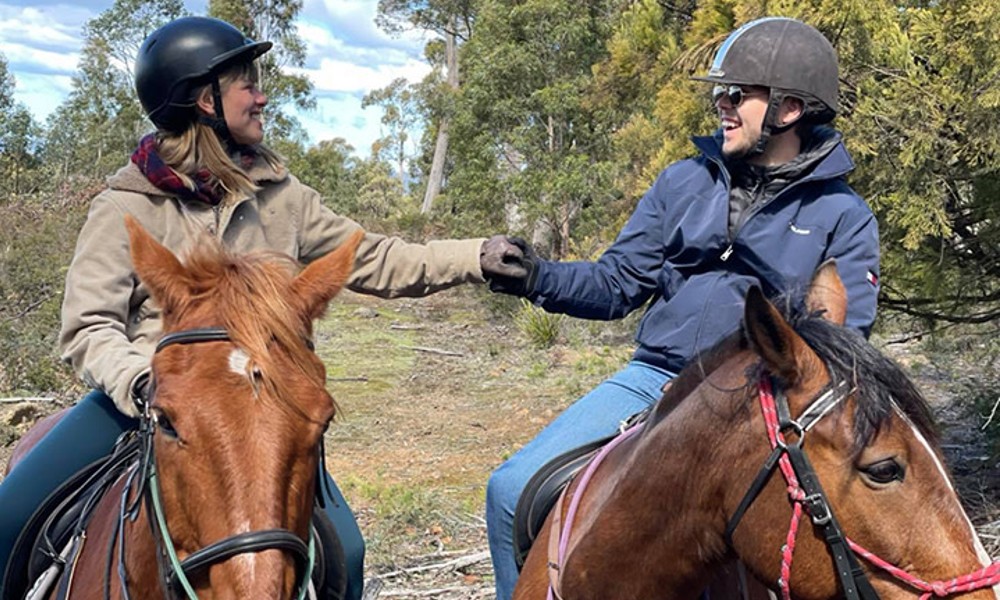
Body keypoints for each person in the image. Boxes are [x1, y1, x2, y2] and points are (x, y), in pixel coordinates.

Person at [0, 15, 522, 599]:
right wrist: (142, 383)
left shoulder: (282, 196)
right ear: (203, 101)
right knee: (7, 520)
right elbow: (88, 326)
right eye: (246, 83)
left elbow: (374, 257)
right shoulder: (125, 206)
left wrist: (477, 255)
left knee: (345, 552)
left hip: (261, 413)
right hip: (148, 404)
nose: (261, 95)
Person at [477, 16, 881, 600]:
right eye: (720, 92)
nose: (721, 104)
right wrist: (534, 275)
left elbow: (842, 344)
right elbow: (618, 282)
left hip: (757, 404)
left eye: (736, 94)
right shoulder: (682, 182)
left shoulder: (844, 216)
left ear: (789, 110)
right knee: (511, 489)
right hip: (653, 379)